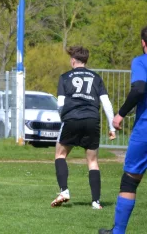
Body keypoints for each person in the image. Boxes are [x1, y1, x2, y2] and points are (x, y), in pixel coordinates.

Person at [51, 46, 116, 210]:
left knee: (60, 154)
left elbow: (60, 103)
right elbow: (106, 104)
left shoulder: (65, 77)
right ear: (85, 61)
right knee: (93, 161)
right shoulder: (96, 77)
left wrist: (63, 118)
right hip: (92, 119)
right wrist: (112, 127)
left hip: (72, 118)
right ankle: (96, 202)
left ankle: (64, 191)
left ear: (73, 60)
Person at [100, 26, 147, 234]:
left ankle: (118, 232)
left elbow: (139, 88)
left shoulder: (141, 61)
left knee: (130, 180)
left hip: (145, 129)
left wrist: (120, 114)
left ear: (143, 43)